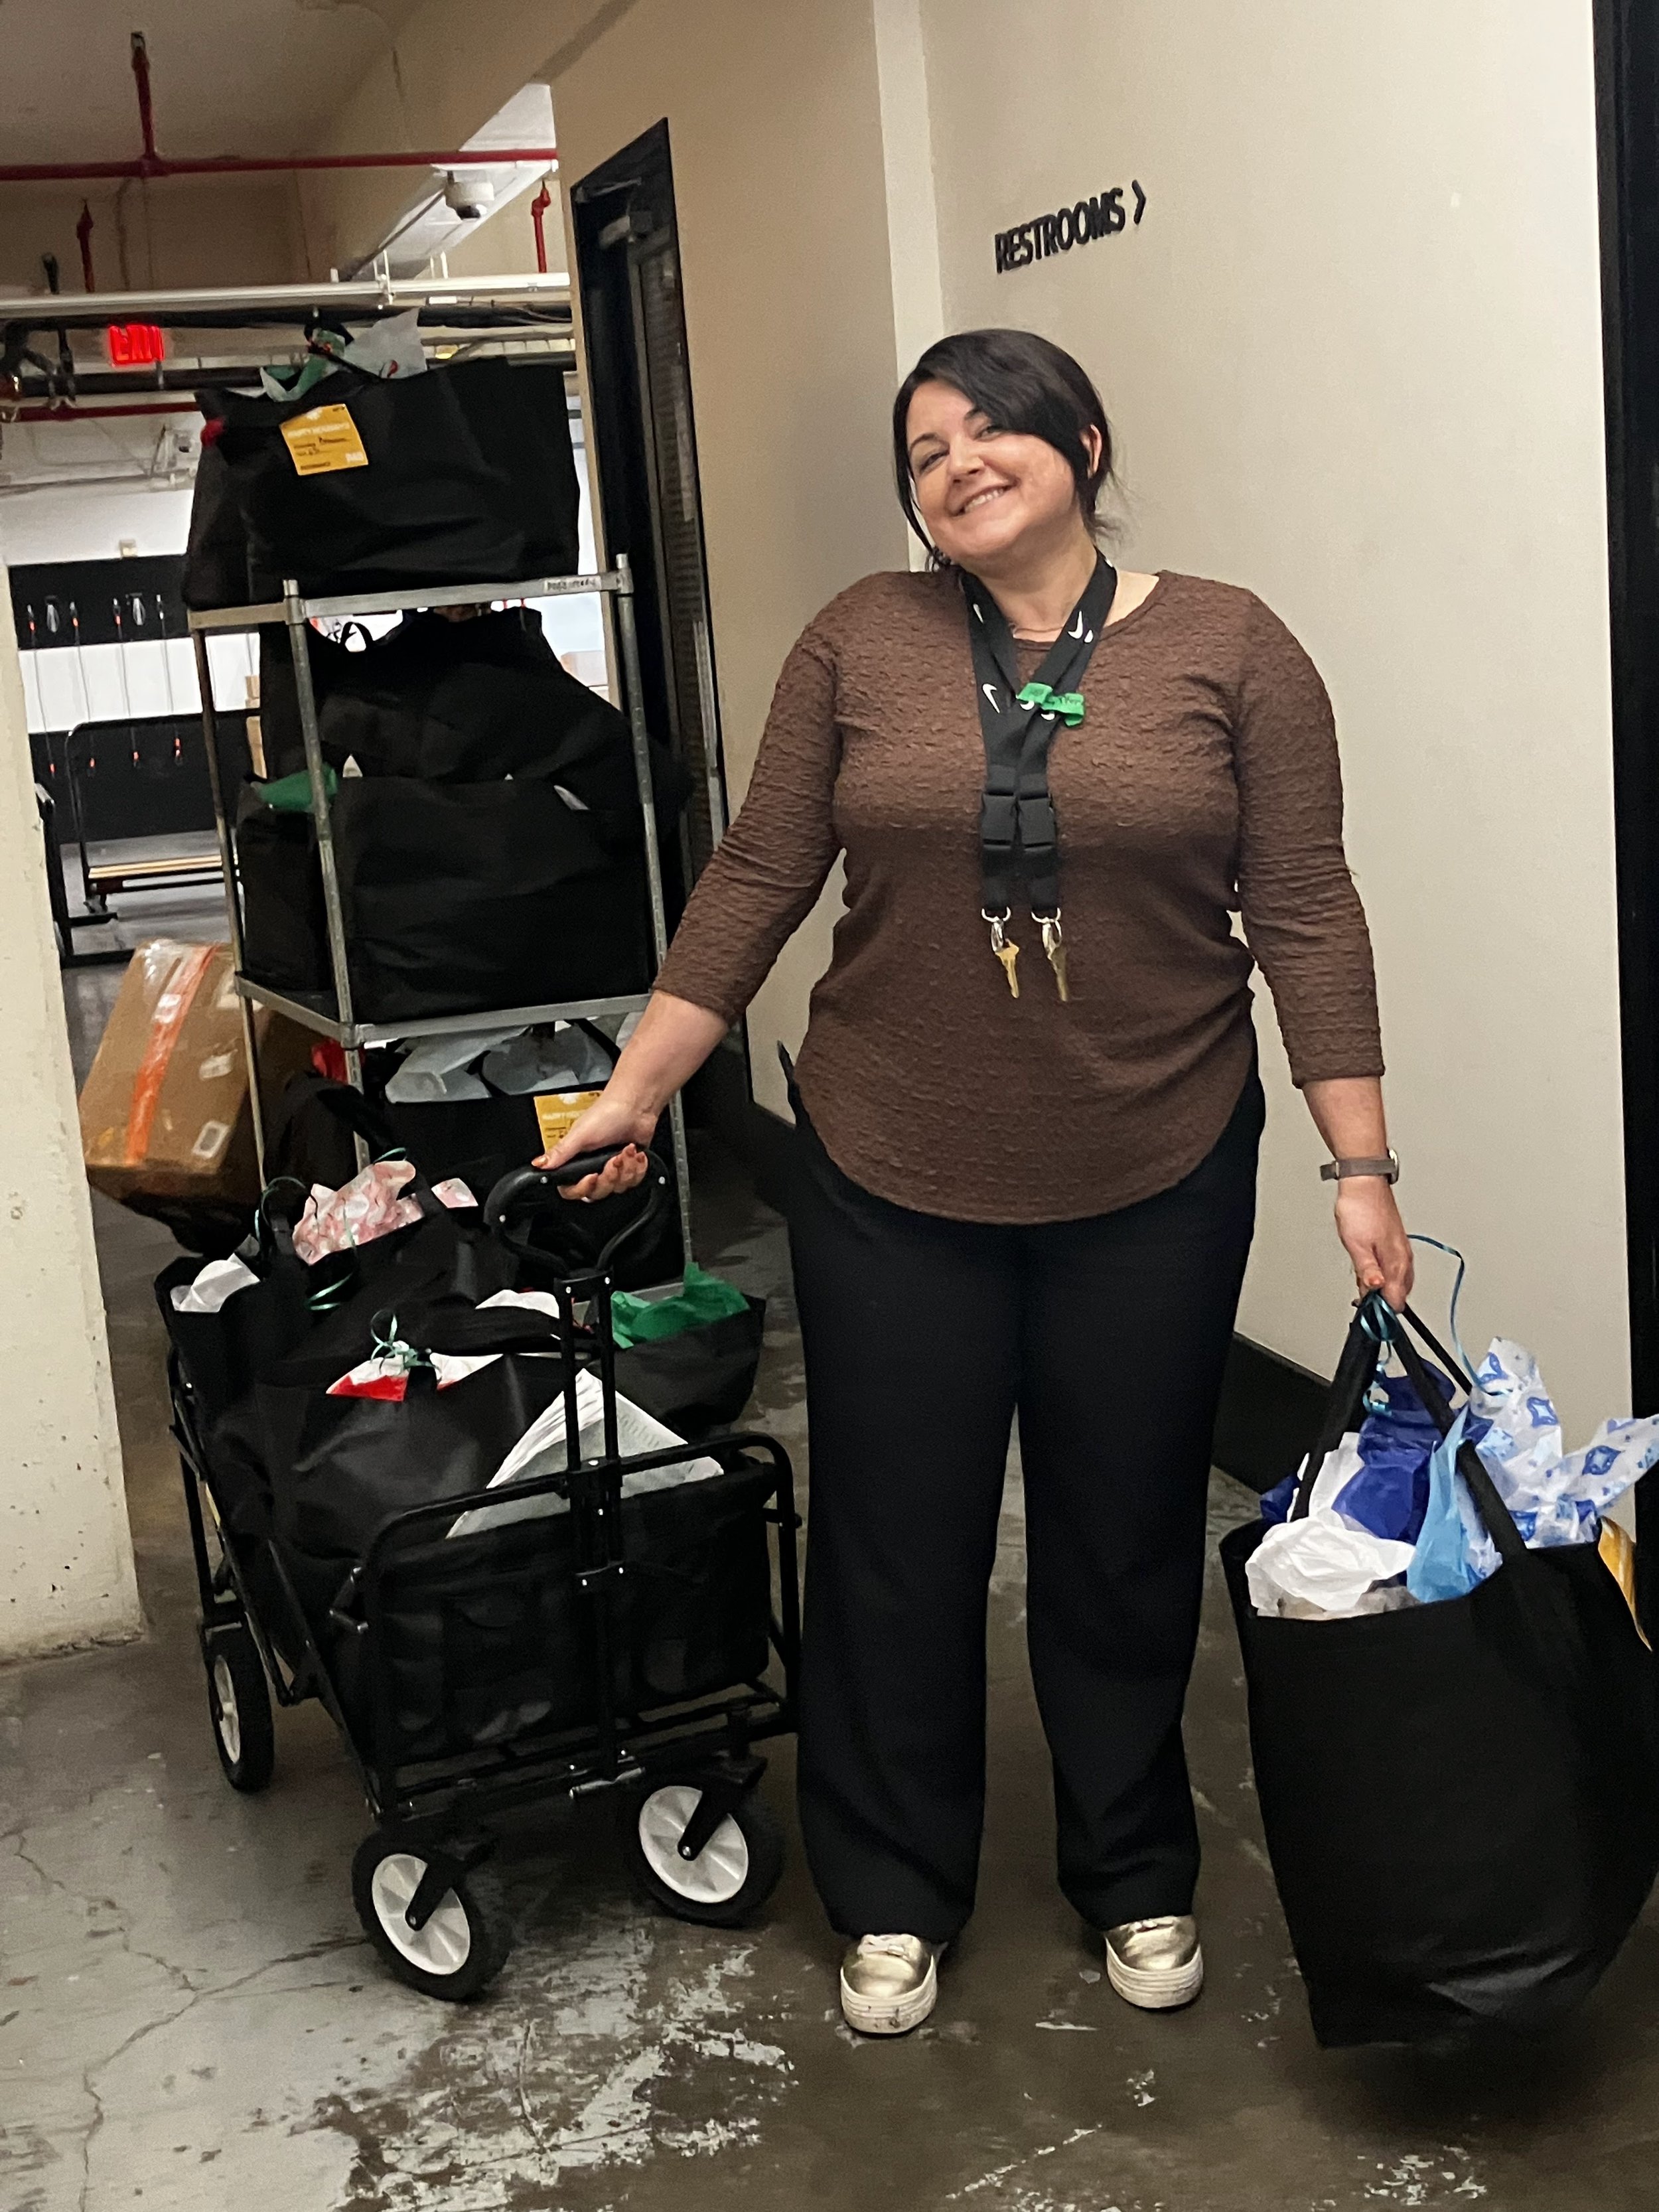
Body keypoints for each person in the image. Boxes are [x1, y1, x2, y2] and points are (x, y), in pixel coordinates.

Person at [538, 329, 1411, 2036]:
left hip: (1155, 1159)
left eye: (989, 428)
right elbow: (763, 865)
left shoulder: (1233, 645)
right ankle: (888, 1888)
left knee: (1125, 1532)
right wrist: (635, 1091)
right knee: (895, 1538)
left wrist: (1357, 1160)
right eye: (922, 449)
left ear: (1080, 441)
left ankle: (1134, 1867)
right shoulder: (859, 638)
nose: (953, 464)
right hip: (889, 1160)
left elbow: (1302, 901)